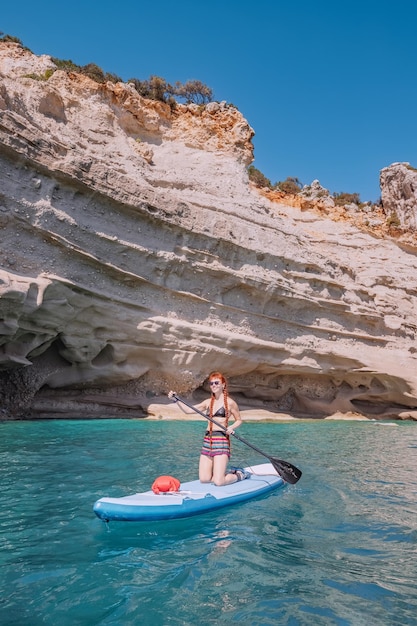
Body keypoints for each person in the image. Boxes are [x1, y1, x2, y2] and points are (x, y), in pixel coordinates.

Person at [168, 371, 250, 486]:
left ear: (223, 385)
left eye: (216, 383)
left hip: (221, 441)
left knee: (219, 482)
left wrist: (231, 427)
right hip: (208, 441)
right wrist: (176, 400)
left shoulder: (230, 403)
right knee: (205, 479)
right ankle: (223, 473)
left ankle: (240, 474)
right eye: (211, 384)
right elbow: (188, 410)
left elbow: (239, 420)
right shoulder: (208, 402)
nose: (214, 385)